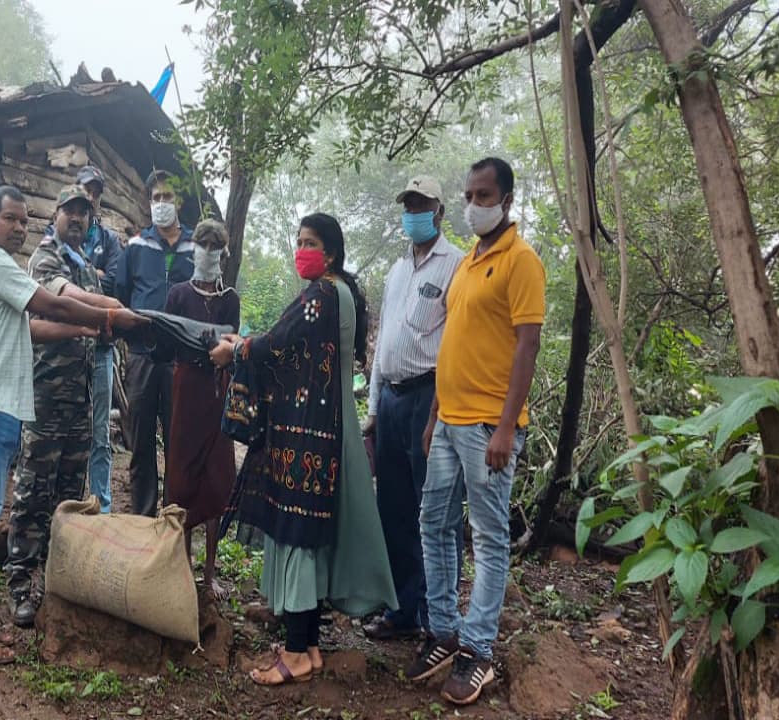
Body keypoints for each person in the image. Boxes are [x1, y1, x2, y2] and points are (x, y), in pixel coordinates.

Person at [0, 185, 145, 665]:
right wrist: (113, 316)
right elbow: (51, 305)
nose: (19, 227)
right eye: (10, 219)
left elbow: (31, 327)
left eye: (23, 220)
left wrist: (89, 326)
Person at [210, 213, 396, 686]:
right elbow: (301, 353)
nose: (301, 250)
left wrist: (237, 350)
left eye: (310, 242)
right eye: (298, 241)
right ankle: (308, 646)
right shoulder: (343, 294)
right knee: (308, 536)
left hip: (307, 433)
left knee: (296, 534)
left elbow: (278, 343)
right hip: (329, 429)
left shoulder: (320, 296)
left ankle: (294, 654)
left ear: (330, 252)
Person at [405, 158, 545, 705]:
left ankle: (478, 649)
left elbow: (527, 345)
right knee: (433, 522)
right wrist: (435, 416)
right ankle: (444, 631)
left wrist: (507, 427)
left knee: (487, 537)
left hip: (489, 425)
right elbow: (453, 343)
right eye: (468, 195)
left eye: (483, 195)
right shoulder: (467, 264)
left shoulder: (522, 261)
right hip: (449, 420)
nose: (473, 204)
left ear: (506, 200)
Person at [6, 185, 123, 627]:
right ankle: (20, 584)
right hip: (45, 398)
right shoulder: (45, 259)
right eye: (70, 211)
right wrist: (111, 310)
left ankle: (58, 579)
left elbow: (96, 327)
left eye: (84, 213)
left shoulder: (88, 268)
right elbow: (68, 303)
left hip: (80, 401)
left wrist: (108, 326)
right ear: (54, 215)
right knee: (33, 491)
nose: (77, 218)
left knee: (69, 494)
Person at [363, 176, 465, 641]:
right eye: (408, 205)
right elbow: (383, 341)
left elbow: (457, 343)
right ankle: (402, 610)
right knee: (394, 508)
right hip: (391, 399)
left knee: (435, 511)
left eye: (421, 205)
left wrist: (441, 412)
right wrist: (373, 409)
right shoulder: (397, 270)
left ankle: (436, 615)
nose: (413, 214)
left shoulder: (455, 265)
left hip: (429, 398)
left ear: (439, 211)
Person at [163, 218, 239, 598]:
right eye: (203, 245)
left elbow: (233, 345)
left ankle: (209, 575)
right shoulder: (178, 294)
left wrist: (221, 351)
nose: (208, 252)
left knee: (217, 473)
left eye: (215, 246)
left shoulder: (230, 299)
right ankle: (182, 567)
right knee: (182, 474)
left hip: (217, 391)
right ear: (194, 248)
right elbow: (166, 343)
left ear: (223, 253)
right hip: (186, 388)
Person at [116, 169, 195, 517]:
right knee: (141, 442)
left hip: (180, 360)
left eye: (168, 197)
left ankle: (174, 517)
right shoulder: (136, 247)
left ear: (180, 201)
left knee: (179, 441)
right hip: (142, 357)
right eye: (156, 197)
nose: (161, 203)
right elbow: (120, 294)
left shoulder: (196, 246)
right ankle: (143, 518)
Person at [77, 166, 124, 513]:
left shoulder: (108, 240)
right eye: (86, 189)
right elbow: (55, 280)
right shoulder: (56, 234)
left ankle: (101, 507)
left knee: (100, 431)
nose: (90, 196)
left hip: (102, 348)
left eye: (95, 192)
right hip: (65, 350)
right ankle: (68, 503)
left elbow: (115, 283)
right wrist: (95, 275)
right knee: (65, 427)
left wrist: (84, 277)